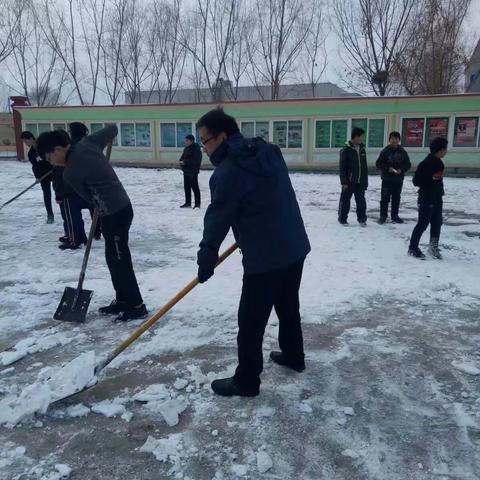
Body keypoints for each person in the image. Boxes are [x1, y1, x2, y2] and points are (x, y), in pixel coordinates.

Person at [196, 108, 311, 397]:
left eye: (205, 141)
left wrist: (207, 254)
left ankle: (247, 381)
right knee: (287, 305)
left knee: (250, 323)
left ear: (222, 136)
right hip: (294, 243)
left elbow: (218, 216)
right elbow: (271, 191)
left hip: (265, 256)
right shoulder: (268, 150)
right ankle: (294, 356)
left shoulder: (227, 172)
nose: (204, 149)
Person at [36, 125, 148, 321]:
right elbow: (113, 129)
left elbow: (88, 198)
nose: (51, 163)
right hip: (120, 207)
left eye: (49, 158)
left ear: (58, 150)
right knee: (113, 258)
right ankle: (123, 299)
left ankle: (137, 306)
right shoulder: (88, 143)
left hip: (114, 212)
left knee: (120, 260)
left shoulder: (70, 173)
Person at [408, 137, 448, 260]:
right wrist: (431, 179)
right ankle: (412, 248)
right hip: (426, 198)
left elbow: (438, 180)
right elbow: (416, 181)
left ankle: (433, 247)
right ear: (440, 150)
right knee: (423, 224)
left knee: (437, 223)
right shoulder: (426, 163)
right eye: (445, 149)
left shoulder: (439, 163)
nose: (447, 151)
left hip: (437, 198)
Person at [376, 131, 411, 224]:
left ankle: (395, 216)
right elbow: (378, 163)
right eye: (392, 139)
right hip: (387, 179)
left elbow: (408, 164)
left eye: (396, 138)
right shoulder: (385, 151)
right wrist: (388, 168)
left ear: (399, 140)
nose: (394, 140)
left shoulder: (402, 151)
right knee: (384, 198)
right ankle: (383, 216)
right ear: (389, 140)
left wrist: (401, 169)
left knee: (396, 198)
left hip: (398, 180)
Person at [21, 131, 54, 223]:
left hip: (54, 172)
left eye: (26, 141)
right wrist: (37, 177)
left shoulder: (44, 147)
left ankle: (66, 210)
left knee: (60, 192)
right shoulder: (31, 153)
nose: (25, 144)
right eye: (24, 142)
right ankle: (50, 215)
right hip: (43, 176)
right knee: (47, 194)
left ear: (31, 138)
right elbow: (35, 166)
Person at [338, 127, 368, 226]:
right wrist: (344, 182)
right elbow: (342, 168)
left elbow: (364, 167)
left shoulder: (362, 149)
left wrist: (365, 181)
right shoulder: (346, 150)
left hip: (360, 181)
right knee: (345, 201)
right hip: (349, 181)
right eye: (361, 137)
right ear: (355, 137)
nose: (362, 139)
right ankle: (342, 219)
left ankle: (362, 219)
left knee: (361, 202)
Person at [179, 134, 202, 208]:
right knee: (187, 187)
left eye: (187, 140)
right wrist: (181, 162)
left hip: (193, 171)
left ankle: (197, 204)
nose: (186, 142)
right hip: (186, 171)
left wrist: (185, 162)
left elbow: (195, 160)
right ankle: (188, 203)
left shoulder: (196, 149)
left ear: (192, 141)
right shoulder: (186, 149)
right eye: (185, 140)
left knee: (195, 188)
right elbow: (182, 158)